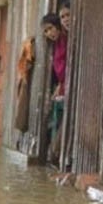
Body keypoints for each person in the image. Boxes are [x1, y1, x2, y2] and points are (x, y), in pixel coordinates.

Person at [42, 13, 68, 165]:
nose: (49, 33)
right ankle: (53, 154)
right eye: (46, 31)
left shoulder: (66, 40)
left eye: (50, 28)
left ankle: (55, 154)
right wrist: (59, 86)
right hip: (62, 85)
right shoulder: (56, 44)